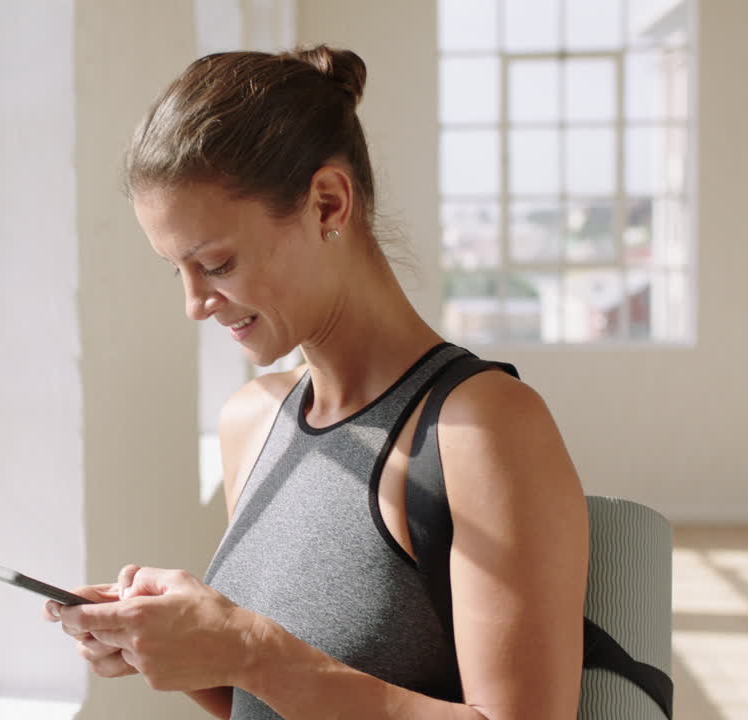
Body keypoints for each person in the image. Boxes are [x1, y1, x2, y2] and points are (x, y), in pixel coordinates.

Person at [39, 45, 590, 720]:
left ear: (328, 203)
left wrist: (248, 649)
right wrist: (177, 648)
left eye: (216, 262)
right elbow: (272, 703)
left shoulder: (481, 428)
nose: (195, 302)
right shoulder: (253, 421)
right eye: (174, 269)